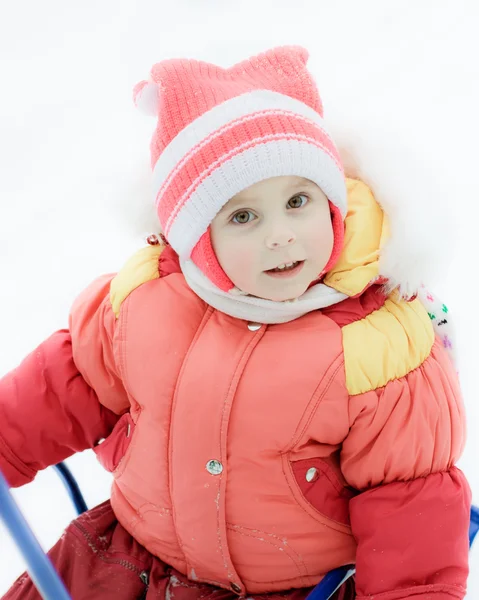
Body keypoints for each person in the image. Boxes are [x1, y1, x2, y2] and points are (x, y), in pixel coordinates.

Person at [0, 46, 471, 600]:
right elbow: (63, 389)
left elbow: (409, 497)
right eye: (243, 216)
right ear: (197, 237)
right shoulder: (145, 304)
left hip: (294, 586)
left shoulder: (378, 346)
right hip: (135, 560)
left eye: (299, 200)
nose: (280, 234)